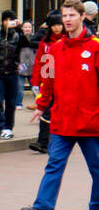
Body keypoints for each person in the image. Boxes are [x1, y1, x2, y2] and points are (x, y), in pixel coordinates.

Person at [21, 0, 99, 210]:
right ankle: (43, 207)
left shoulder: (95, 46)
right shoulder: (54, 49)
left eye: (72, 15)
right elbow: (48, 81)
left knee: (97, 167)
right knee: (54, 163)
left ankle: (97, 205)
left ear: (82, 17)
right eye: (65, 16)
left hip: (90, 120)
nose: (67, 20)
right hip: (62, 120)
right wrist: (41, 105)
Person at [29, 11, 65, 154]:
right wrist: (35, 82)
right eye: (54, 25)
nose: (57, 28)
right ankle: (42, 142)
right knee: (45, 111)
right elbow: (39, 62)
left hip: (63, 83)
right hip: (48, 81)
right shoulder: (45, 43)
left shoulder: (66, 41)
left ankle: (53, 142)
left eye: (59, 25)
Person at [0, 10, 25, 140]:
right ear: (2, 21)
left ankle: (8, 126)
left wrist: (20, 29)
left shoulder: (18, 37)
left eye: (11, 20)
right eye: (6, 20)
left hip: (12, 72)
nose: (8, 23)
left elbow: (27, 46)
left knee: (11, 102)